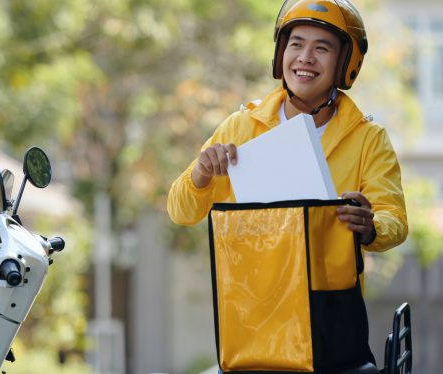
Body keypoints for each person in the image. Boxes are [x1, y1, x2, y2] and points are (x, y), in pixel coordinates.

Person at [167, 0, 407, 253]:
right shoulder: (240, 127)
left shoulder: (369, 139)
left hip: (329, 292)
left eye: (322, 49)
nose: (305, 58)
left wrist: (370, 227)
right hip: (247, 290)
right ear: (281, 53)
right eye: (296, 44)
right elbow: (181, 211)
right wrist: (201, 173)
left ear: (346, 63)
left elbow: (394, 218)